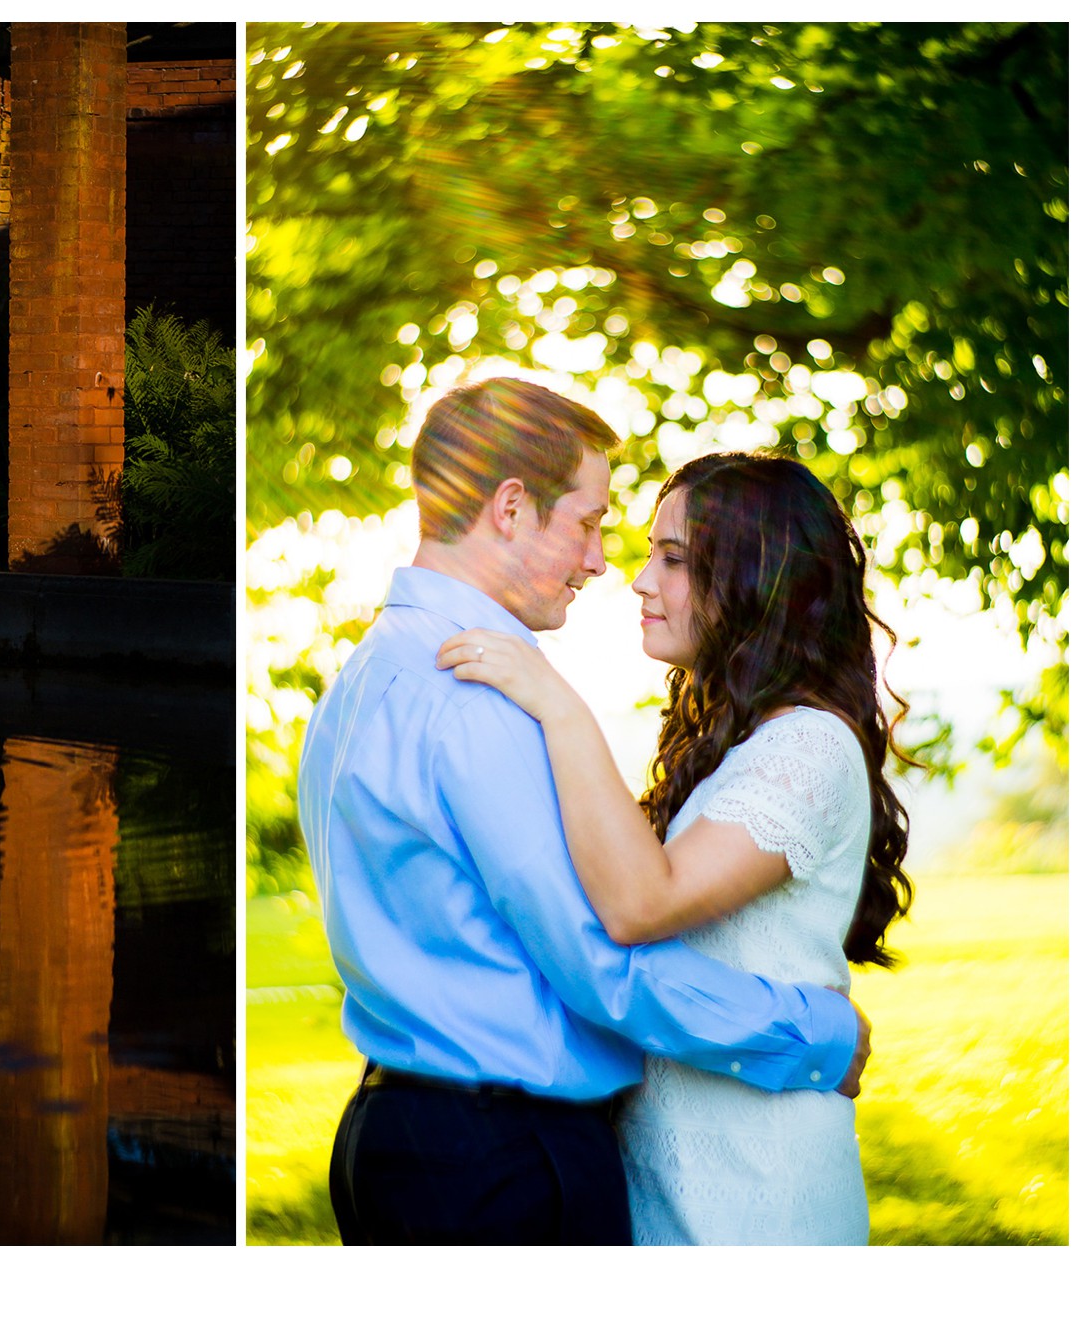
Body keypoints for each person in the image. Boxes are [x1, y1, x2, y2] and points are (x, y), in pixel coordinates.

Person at [297, 377, 870, 1245]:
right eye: (590, 523)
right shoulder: (481, 698)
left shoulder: (368, 675)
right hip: (499, 1160)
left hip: (402, 1135)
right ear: (512, 508)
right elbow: (608, 962)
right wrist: (820, 1030)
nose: (604, 562)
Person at [435, 450, 911, 1244]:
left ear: (759, 579)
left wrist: (558, 705)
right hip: (667, 1185)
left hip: (760, 1194)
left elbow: (640, 903)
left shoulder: (812, 746)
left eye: (675, 558)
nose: (639, 579)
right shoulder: (733, 746)